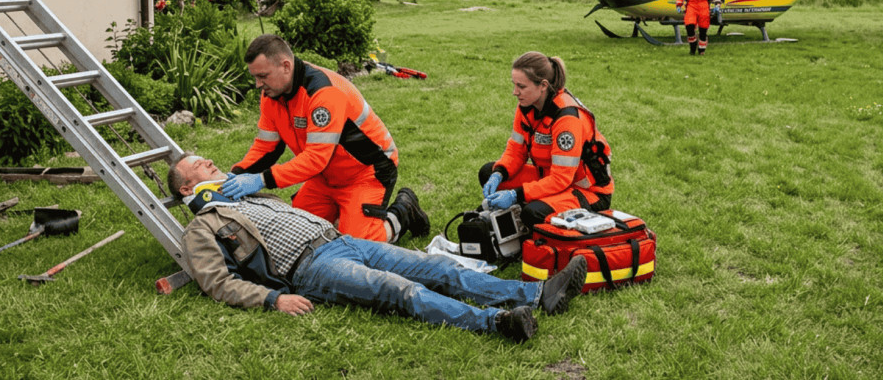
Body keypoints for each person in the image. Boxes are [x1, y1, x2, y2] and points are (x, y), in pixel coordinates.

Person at [170, 155, 587, 342]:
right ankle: (496, 324)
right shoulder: (201, 229)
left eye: (210, 161)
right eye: (201, 167)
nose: (213, 165)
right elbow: (218, 283)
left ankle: (537, 294)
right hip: (309, 268)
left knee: (436, 266)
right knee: (400, 291)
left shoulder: (247, 194)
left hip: (341, 240)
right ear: (189, 188)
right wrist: (273, 298)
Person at [221, 34, 427, 244]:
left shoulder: (324, 92)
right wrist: (236, 174)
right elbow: (267, 147)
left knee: (359, 245)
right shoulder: (272, 96)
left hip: (366, 172)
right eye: (255, 77)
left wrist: (261, 180)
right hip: (325, 175)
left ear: (285, 66)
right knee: (294, 234)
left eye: (263, 76)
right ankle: (346, 215)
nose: (258, 85)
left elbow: (315, 158)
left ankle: (403, 211)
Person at [479, 52, 615, 229]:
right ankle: (522, 211)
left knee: (532, 213)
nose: (515, 92)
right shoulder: (527, 107)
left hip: (586, 192)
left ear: (543, 85)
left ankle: (525, 214)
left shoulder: (567, 118)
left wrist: (516, 195)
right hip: (550, 179)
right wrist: (499, 173)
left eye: (521, 86)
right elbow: (516, 151)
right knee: (488, 172)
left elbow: (561, 179)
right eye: (514, 85)